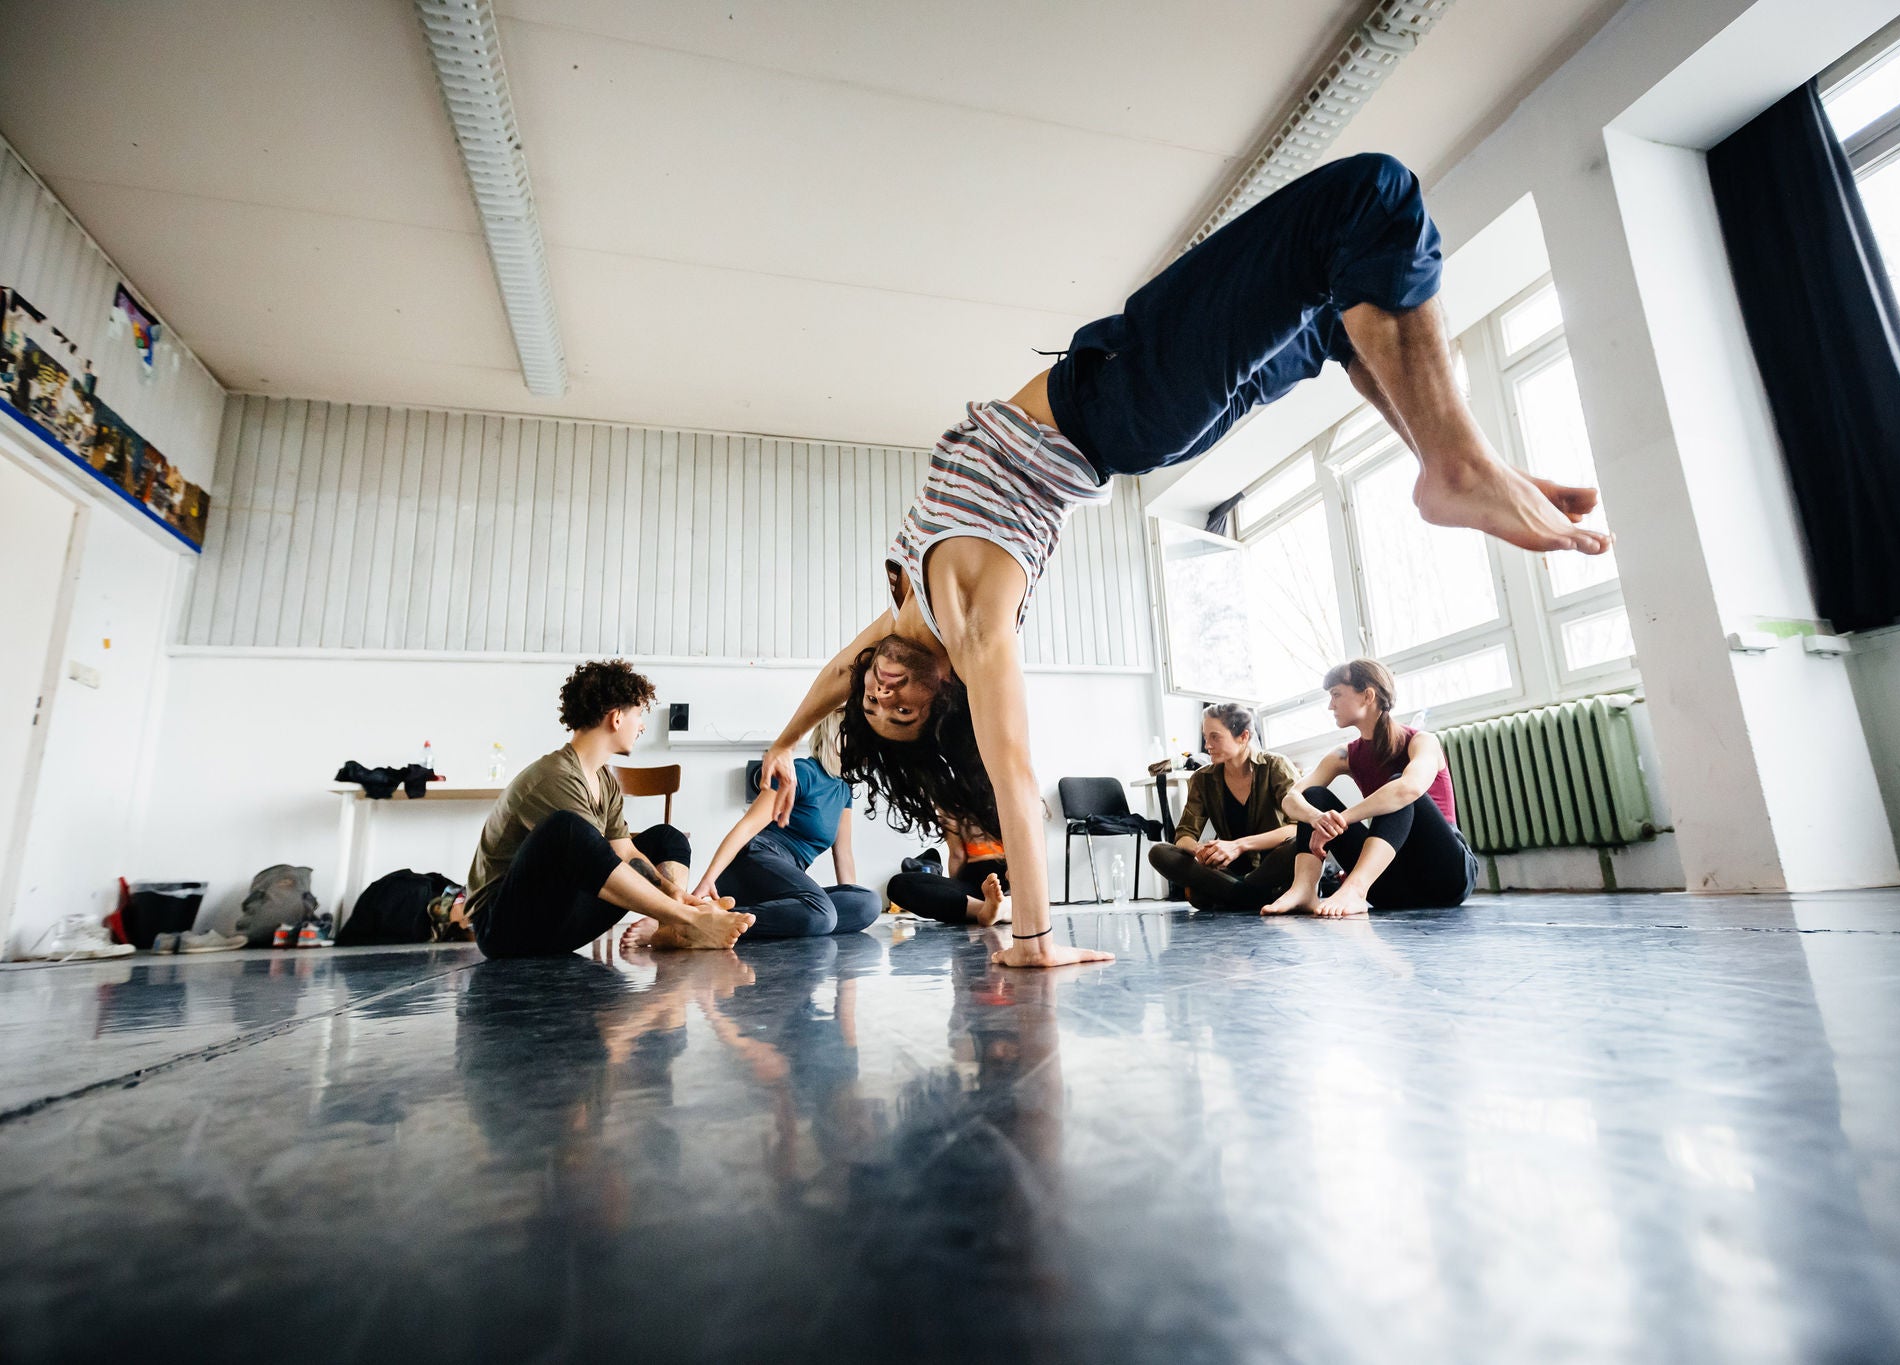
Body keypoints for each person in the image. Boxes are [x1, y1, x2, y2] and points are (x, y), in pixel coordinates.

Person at [757, 152, 1608, 969]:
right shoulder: (971, 618)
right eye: (902, 708)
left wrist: (786, 740)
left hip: (1146, 417)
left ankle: (1447, 455)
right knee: (1371, 199)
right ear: (944, 693)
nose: (881, 690)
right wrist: (1031, 931)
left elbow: (842, 669)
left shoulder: (904, 617)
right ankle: (1456, 465)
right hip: (1125, 400)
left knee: (1332, 325)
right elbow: (1014, 771)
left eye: (877, 695)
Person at [465, 659, 754, 958]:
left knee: (668, 837)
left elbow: (625, 854)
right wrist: (693, 915)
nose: (642, 725)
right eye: (639, 715)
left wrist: (674, 894)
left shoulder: (605, 780)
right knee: (568, 829)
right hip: (504, 930)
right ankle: (688, 923)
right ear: (616, 718)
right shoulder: (554, 777)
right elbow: (592, 859)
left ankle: (671, 924)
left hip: (556, 925)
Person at [631, 713, 880, 944]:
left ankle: (717, 920)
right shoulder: (802, 773)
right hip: (756, 861)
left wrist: (851, 896)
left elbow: (844, 853)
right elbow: (747, 826)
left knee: (867, 903)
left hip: (783, 885)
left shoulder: (844, 789)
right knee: (821, 914)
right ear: (837, 737)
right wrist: (709, 878)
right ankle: (692, 921)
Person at [1259, 660, 1479, 918]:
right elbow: (1291, 798)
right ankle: (1304, 889)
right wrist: (1319, 819)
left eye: (1336, 694)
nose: (1331, 705)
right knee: (1314, 797)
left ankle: (1355, 889)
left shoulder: (1422, 741)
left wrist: (1340, 820)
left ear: (1368, 695)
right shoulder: (1344, 755)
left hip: (1446, 876)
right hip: (1393, 885)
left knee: (1399, 786)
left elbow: (1407, 789)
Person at [1147, 702, 1303, 911]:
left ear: (1243, 737)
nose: (1207, 745)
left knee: (1300, 842)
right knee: (1159, 852)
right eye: (1205, 737)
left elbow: (1298, 826)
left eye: (1215, 737)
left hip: (1272, 868)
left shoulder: (1276, 766)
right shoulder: (1202, 778)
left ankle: (1233, 894)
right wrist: (1201, 850)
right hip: (1229, 872)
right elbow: (1184, 834)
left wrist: (1238, 845)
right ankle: (1249, 895)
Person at [887, 817, 1009, 925]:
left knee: (898, 885)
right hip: (992, 883)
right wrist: (953, 894)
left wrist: (951, 895)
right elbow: (957, 855)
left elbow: (958, 856)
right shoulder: (951, 803)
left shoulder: (951, 804)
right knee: (899, 884)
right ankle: (991, 910)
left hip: (999, 878)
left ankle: (995, 909)